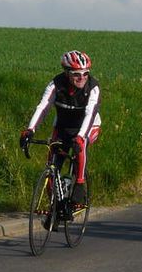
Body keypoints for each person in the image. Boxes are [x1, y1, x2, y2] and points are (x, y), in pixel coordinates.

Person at [19, 50, 101, 208]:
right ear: (66, 73)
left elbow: (90, 114)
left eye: (85, 73)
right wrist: (30, 130)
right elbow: (43, 107)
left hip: (88, 126)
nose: (82, 78)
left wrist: (80, 136)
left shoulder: (93, 87)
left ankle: (79, 183)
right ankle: (55, 207)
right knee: (52, 165)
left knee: (81, 145)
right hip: (63, 126)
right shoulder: (56, 84)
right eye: (77, 74)